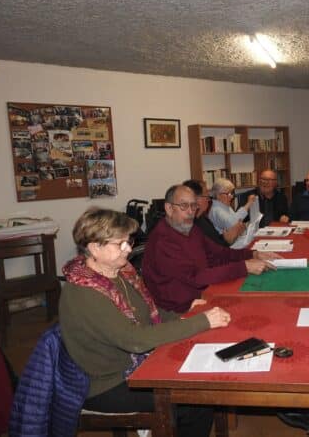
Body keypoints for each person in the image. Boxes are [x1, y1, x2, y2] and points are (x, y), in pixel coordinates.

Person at [59, 207, 232, 436]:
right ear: (94, 248)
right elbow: (135, 340)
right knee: (196, 400)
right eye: (120, 244)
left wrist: (184, 314)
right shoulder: (85, 293)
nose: (129, 249)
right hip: (107, 384)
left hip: (132, 364)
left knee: (199, 373)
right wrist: (201, 322)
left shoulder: (118, 273)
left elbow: (149, 313)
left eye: (128, 241)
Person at [142, 184, 277, 312]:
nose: (190, 212)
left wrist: (252, 254)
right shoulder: (162, 241)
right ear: (169, 208)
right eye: (184, 206)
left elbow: (219, 254)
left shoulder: (192, 229)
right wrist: (243, 267)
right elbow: (196, 278)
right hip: (178, 310)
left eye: (193, 205)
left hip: (203, 293)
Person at [183, 179, 245, 247]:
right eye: (206, 194)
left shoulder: (202, 218)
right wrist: (227, 240)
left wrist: (227, 236)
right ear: (196, 199)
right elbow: (212, 250)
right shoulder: (190, 227)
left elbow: (216, 239)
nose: (209, 197)